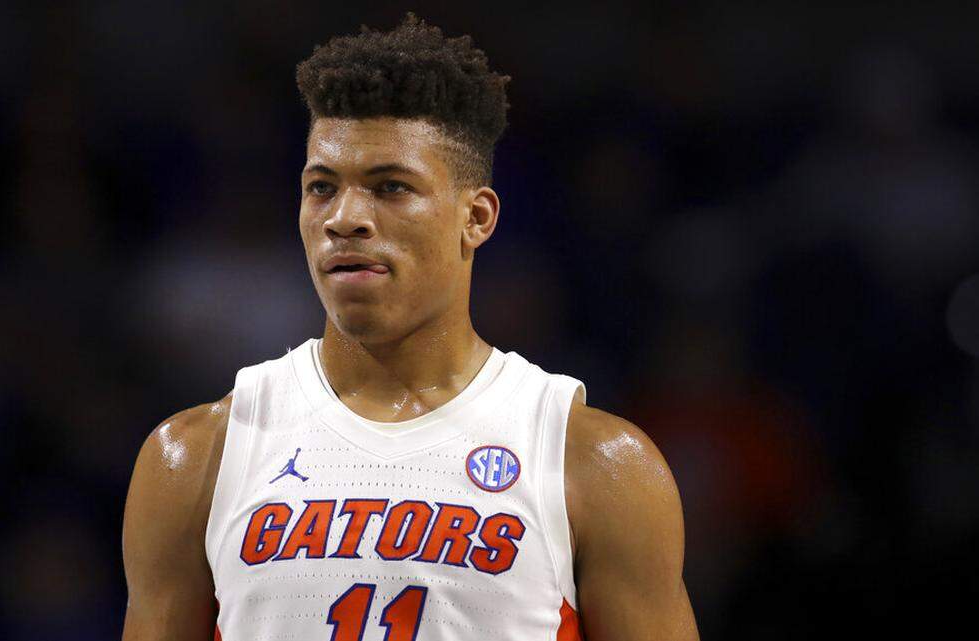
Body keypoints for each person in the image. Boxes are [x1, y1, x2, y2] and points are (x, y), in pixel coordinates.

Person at [121, 13, 698, 640]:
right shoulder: (195, 457)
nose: (345, 218)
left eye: (390, 187)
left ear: (475, 217)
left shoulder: (594, 464)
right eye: (321, 188)